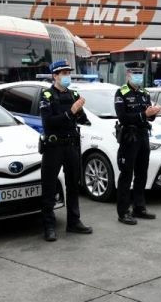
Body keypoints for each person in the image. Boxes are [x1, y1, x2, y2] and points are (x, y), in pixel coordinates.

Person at [38, 60, 93, 241]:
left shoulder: (73, 93)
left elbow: (83, 119)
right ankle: (49, 226)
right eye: (63, 73)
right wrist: (71, 111)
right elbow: (49, 122)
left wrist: (79, 111)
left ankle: (74, 222)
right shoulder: (46, 95)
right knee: (49, 186)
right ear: (55, 75)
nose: (67, 76)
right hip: (53, 146)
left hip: (71, 145)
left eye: (68, 73)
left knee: (73, 185)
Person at [114, 62, 161, 225]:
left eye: (140, 74)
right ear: (128, 75)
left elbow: (148, 116)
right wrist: (144, 114)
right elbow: (123, 117)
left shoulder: (144, 93)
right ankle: (123, 212)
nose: (138, 77)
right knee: (127, 174)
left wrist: (154, 113)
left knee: (142, 173)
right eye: (135, 74)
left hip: (143, 136)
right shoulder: (121, 93)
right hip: (130, 137)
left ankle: (139, 207)